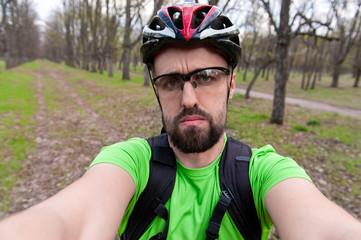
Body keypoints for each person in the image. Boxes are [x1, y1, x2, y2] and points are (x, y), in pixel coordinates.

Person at [1, 2, 361, 240]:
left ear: (231, 83)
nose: (188, 99)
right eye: (171, 82)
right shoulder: (131, 162)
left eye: (206, 77)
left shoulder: (263, 172)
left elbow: (325, 227)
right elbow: (68, 220)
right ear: (157, 89)